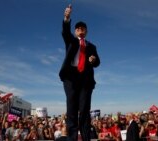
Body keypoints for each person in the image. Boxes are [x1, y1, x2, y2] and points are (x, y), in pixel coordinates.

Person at [59, 4, 100, 141]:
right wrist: (66, 18)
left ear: (86, 31)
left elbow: (98, 63)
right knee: (71, 109)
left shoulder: (92, 46)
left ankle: (86, 138)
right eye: (78, 29)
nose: (80, 30)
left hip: (85, 80)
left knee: (84, 111)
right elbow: (65, 32)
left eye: (82, 29)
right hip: (71, 78)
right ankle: (71, 138)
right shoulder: (71, 41)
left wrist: (93, 60)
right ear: (75, 31)